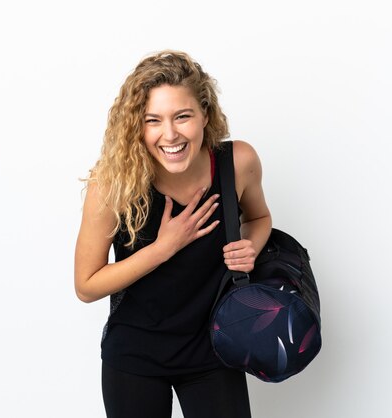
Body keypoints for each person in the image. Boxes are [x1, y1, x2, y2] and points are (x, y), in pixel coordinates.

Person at [74, 50, 272, 418]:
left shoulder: (237, 163)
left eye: (182, 116)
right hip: (135, 357)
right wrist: (164, 247)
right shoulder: (113, 184)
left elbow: (259, 218)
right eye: (153, 120)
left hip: (214, 349)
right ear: (137, 125)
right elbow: (86, 285)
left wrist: (251, 246)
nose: (170, 134)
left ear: (205, 116)